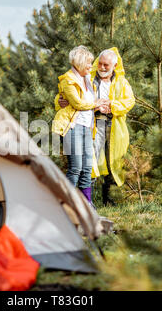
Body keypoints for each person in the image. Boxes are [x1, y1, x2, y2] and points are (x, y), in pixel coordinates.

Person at [57, 47, 135, 205]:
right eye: (100, 64)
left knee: (113, 161)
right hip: (92, 123)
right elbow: (65, 96)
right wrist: (58, 102)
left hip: (114, 126)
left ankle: (110, 200)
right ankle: (84, 200)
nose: (102, 67)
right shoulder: (87, 76)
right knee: (90, 162)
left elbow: (129, 101)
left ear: (114, 65)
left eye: (107, 65)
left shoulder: (121, 82)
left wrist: (112, 105)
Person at [51, 45, 109, 207]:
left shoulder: (88, 79)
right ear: (80, 63)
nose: (92, 66)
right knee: (75, 167)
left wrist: (99, 105)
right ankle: (66, 203)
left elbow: (87, 102)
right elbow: (77, 103)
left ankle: (87, 203)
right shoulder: (68, 80)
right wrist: (95, 104)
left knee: (87, 167)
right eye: (89, 63)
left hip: (87, 127)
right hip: (73, 127)